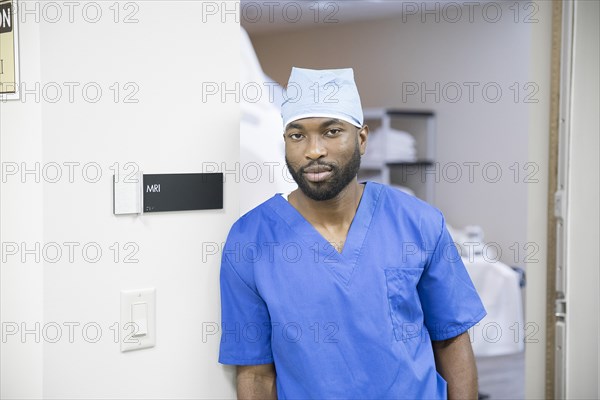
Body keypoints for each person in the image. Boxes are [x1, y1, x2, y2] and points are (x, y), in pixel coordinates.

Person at [219, 67, 486, 399]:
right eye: (297, 135)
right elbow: (256, 374)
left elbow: (451, 339)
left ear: (361, 138)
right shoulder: (250, 240)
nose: (313, 150)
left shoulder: (418, 222)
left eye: (331, 132)